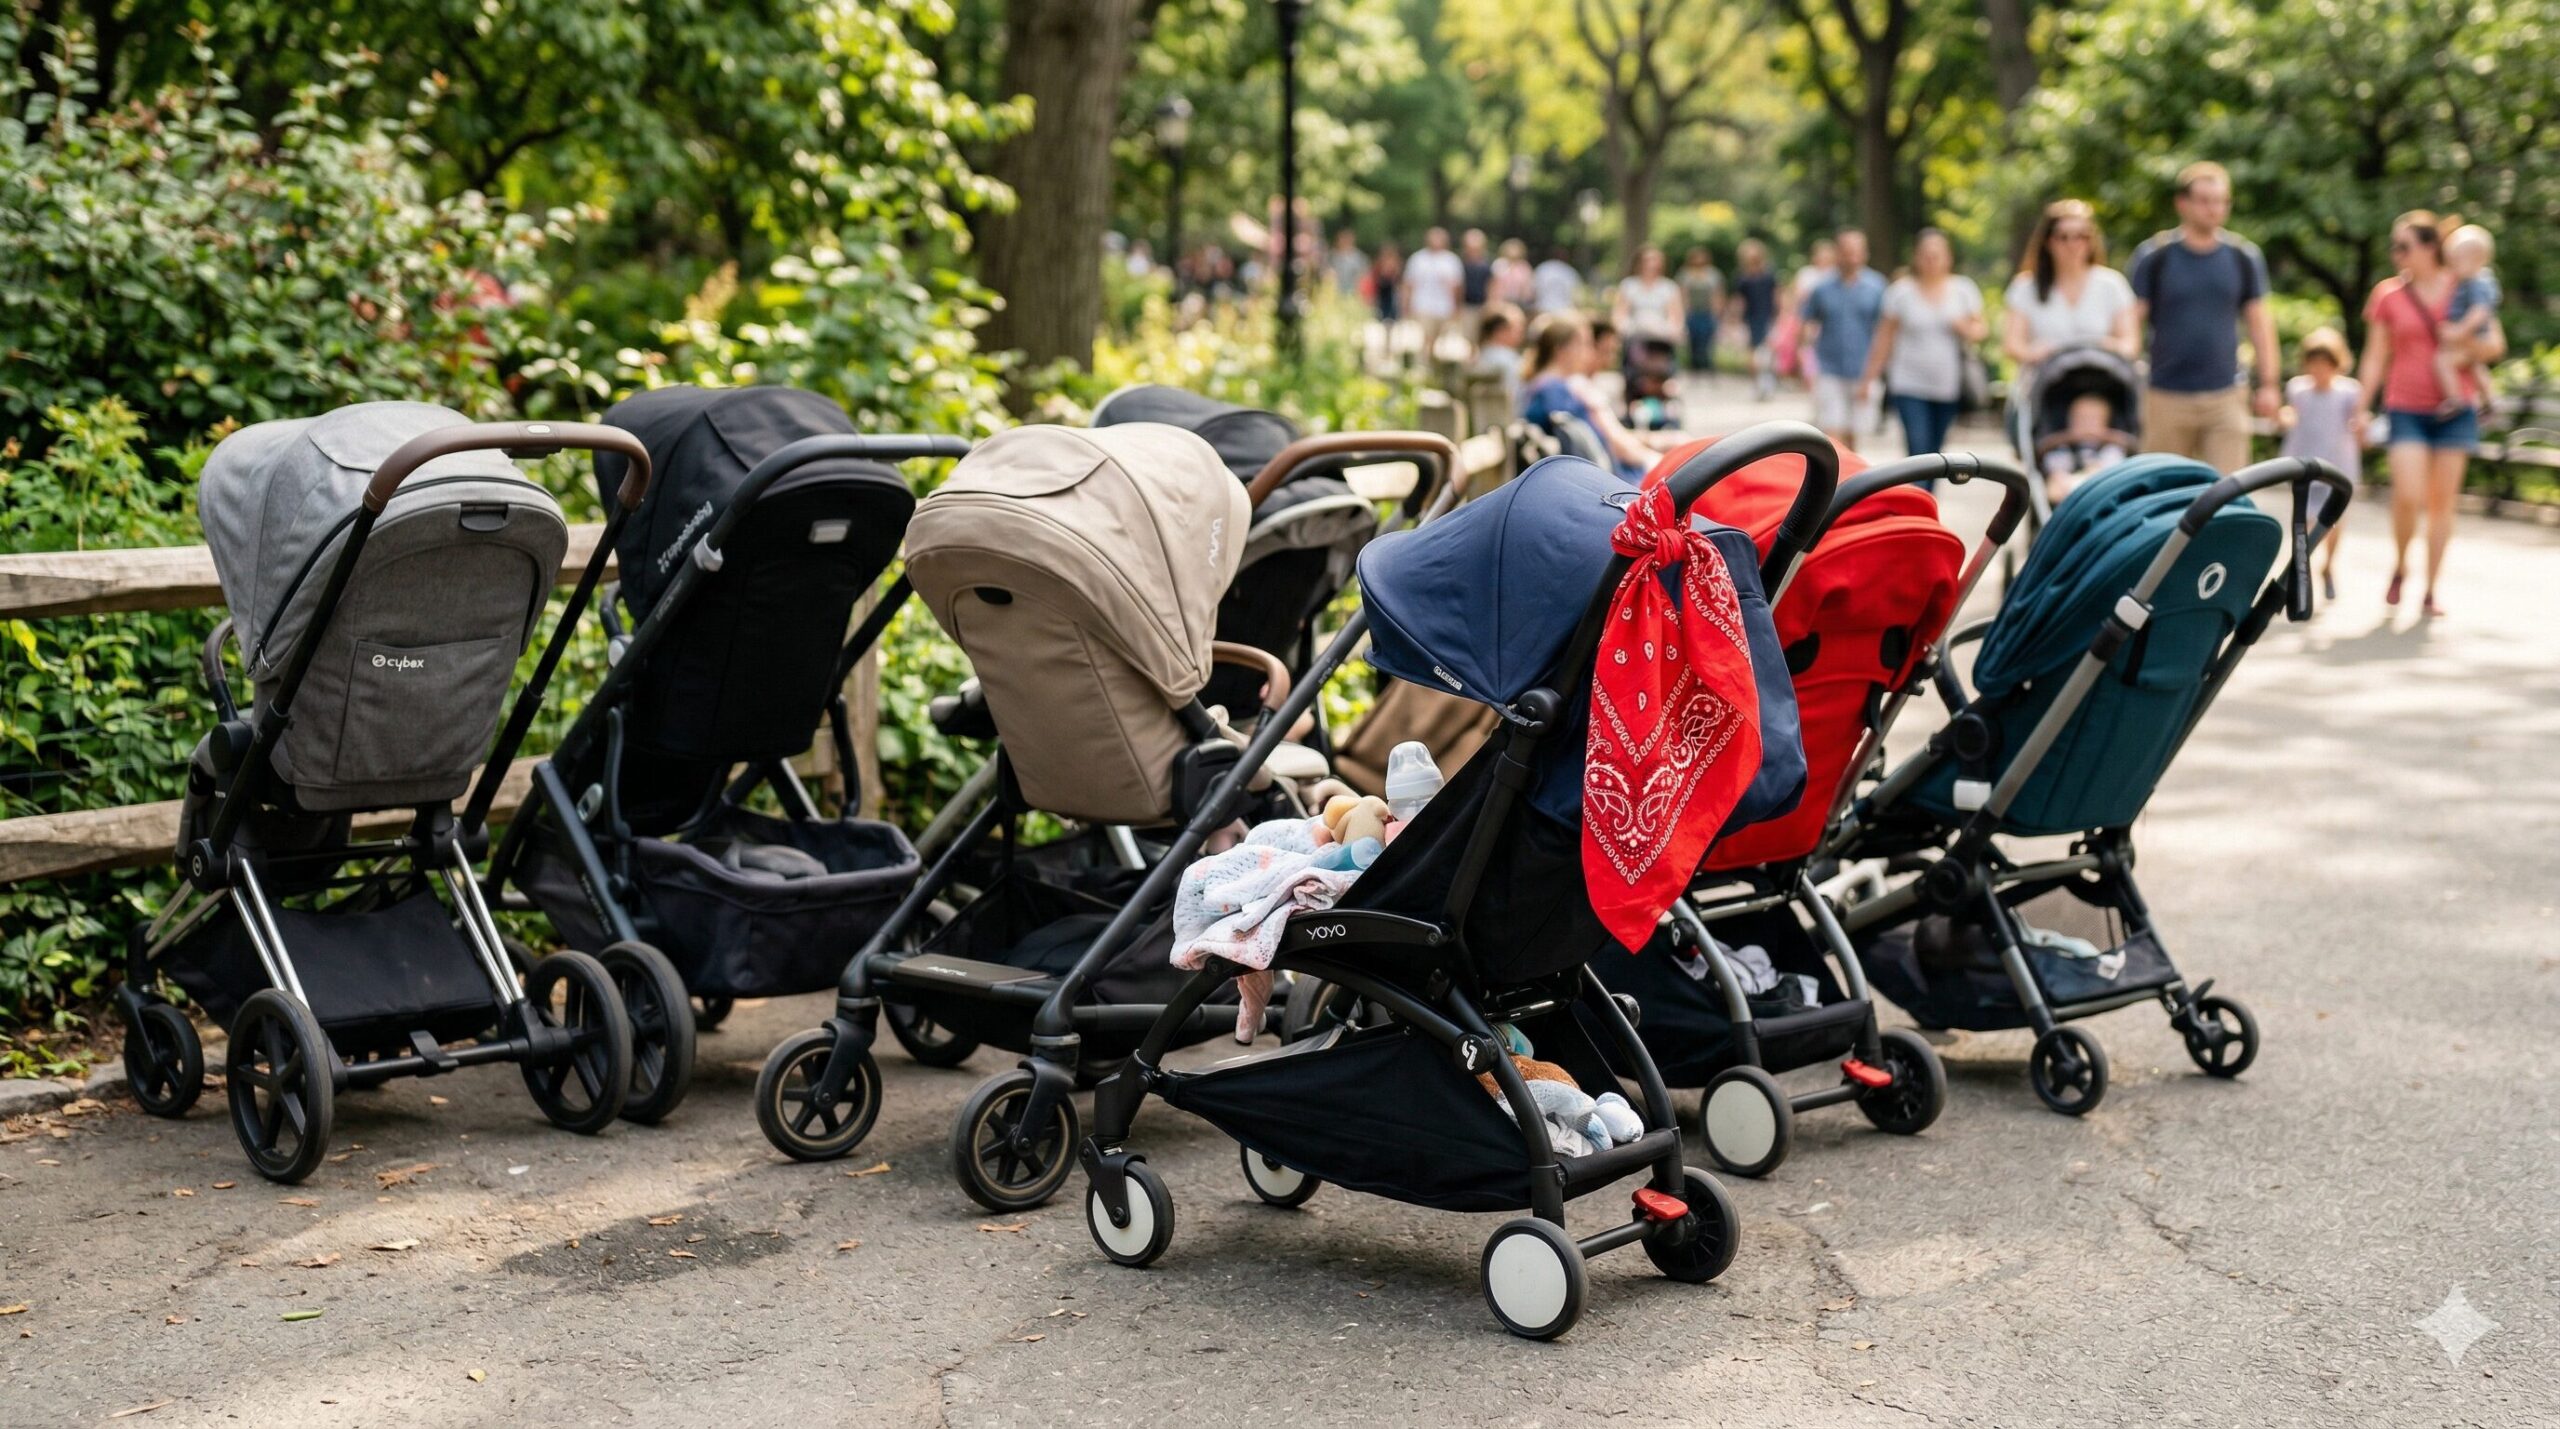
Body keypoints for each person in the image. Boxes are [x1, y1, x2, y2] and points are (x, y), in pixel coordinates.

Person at [2358, 211, 2479, 618]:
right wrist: (2361, 408)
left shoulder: (2462, 288)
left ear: (2429, 247)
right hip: (2405, 407)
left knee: (2442, 503)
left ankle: (2431, 588)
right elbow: (2375, 356)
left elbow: (2494, 344)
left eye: (2404, 246)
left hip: (2455, 408)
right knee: (2408, 495)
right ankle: (2400, 563)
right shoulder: (2388, 294)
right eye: (2394, 246)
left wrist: (2460, 342)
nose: (2396, 254)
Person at [2127, 162, 2280, 473]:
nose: (2214, 209)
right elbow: (2131, 322)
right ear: (2182, 203)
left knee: (2228, 488)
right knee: (2163, 486)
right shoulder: (2155, 255)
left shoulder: (2242, 256)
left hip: (2226, 394)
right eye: (2205, 200)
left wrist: (2269, 384)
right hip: (2165, 394)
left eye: (2221, 201)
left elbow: (2260, 324)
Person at [1858, 227, 1985, 460]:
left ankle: (1927, 485)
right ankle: (1921, 484)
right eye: (1926, 255)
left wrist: (1963, 327)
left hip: (1948, 385)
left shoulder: (1963, 290)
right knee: (1918, 449)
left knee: (1936, 452)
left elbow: (1980, 331)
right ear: (1916, 257)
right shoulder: (1900, 292)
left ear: (1948, 257)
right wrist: (1869, 379)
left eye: (1937, 255)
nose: (1931, 261)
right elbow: (1884, 339)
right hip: (1908, 384)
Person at [1516, 312, 1668, 479]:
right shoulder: (1553, 390)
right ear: (1562, 350)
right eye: (1583, 344)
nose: (1588, 352)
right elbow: (1595, 445)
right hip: (1601, 479)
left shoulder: (1551, 386)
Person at [2002, 198, 2139, 382]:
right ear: (2048, 241)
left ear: (2092, 241)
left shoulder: (2112, 284)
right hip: (2044, 387)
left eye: (2081, 236)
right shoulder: (2025, 286)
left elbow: (2130, 344)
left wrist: (2104, 346)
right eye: (2063, 237)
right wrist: (2034, 352)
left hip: (2099, 385)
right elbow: (2012, 345)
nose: (2072, 245)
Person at [2280, 327, 2364, 601]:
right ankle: (2301, 567)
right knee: (2303, 518)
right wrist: (2283, 417)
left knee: (2333, 519)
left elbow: (2358, 421)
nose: (2319, 369)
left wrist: (2362, 426)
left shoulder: (2348, 392)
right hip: (2305, 460)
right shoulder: (2298, 389)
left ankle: (2328, 566)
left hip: (2337, 463)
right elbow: (2290, 414)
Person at [1797, 229, 1887, 450]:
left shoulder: (1877, 287)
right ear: (1838, 253)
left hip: (1863, 369)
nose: (1851, 257)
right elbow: (1806, 323)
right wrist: (1803, 361)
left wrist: (1875, 373)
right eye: (1846, 251)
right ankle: (1836, 471)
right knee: (1832, 434)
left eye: (1856, 251)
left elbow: (1884, 332)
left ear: (1865, 253)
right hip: (1829, 369)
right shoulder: (1821, 288)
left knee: (1854, 435)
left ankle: (1850, 472)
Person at [2431, 224, 2504, 417]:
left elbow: (2480, 312)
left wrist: (2459, 331)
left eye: (2456, 261)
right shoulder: (2470, 281)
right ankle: (2489, 400)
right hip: (2473, 337)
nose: (2452, 266)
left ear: (2475, 260)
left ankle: (2455, 399)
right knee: (2475, 365)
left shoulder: (2476, 283)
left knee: (2443, 361)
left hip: (2472, 335)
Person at [2036, 394, 2136, 506]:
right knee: (2055, 477)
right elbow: (2045, 456)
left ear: (2106, 422)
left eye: (2093, 420)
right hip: (2067, 483)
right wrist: (2069, 437)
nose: (2086, 425)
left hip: (2100, 480)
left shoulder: (2111, 447)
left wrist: (2103, 435)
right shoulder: (2061, 447)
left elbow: (2130, 445)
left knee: (2111, 458)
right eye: (2080, 419)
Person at [1612, 246, 1684, 381]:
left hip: (1660, 334)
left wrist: (1673, 330)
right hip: (1636, 331)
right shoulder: (1629, 285)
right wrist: (1622, 328)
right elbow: (1620, 312)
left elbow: (1675, 315)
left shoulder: (1669, 287)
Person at [1773, 237, 1836, 387]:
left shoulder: (1835, 275)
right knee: (1805, 348)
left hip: (1827, 320)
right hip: (1807, 318)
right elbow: (1796, 296)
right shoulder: (1807, 273)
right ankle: (1808, 377)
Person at [1727, 238, 1781, 400]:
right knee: (1752, 355)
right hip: (1750, 319)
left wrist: (1779, 315)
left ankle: (1768, 384)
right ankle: (1757, 385)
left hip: (1767, 317)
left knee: (1768, 354)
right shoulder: (1742, 278)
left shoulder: (1769, 276)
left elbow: (1776, 296)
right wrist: (1734, 319)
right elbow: (1738, 300)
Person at [1403, 227, 1466, 363]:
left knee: (1438, 337)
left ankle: (1432, 361)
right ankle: (1424, 361)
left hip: (1444, 307)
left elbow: (1458, 286)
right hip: (1422, 304)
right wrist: (1406, 304)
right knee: (1427, 335)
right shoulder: (1418, 259)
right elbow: (1409, 283)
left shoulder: (1451, 260)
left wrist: (1457, 307)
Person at [1679, 247, 1725, 373]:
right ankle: (1694, 363)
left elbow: (1718, 293)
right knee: (1693, 337)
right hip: (1692, 311)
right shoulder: (1685, 274)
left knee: (1707, 337)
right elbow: (1683, 293)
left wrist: (1718, 310)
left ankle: (1706, 362)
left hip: (1708, 311)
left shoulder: (1713, 274)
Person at [1472, 303, 1527, 407]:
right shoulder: (1508, 360)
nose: (1521, 334)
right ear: (1500, 331)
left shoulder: (1481, 356)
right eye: (1517, 329)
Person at [1458, 229, 1495, 347]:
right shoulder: (1461, 262)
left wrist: (1490, 304)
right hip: (1467, 305)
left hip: (1482, 305)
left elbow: (1492, 284)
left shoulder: (1488, 263)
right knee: (1468, 336)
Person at [1531, 246, 1584, 315]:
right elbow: (1577, 297)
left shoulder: (1542, 268)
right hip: (1565, 311)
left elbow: (1532, 292)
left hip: (1543, 309)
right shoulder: (1571, 272)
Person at [1491, 238, 1536, 307]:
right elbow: (1494, 286)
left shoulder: (1524, 267)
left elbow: (1528, 289)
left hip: (1520, 302)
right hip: (1501, 302)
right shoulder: (1499, 264)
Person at [1326, 228, 1370, 298]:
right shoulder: (1332, 257)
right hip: (1335, 293)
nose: (1345, 241)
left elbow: (1365, 277)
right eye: (1343, 238)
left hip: (1354, 294)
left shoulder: (1360, 258)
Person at [1368, 241, 1403, 325]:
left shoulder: (1396, 265)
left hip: (1392, 295)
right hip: (1381, 295)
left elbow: (1398, 281)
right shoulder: (1378, 265)